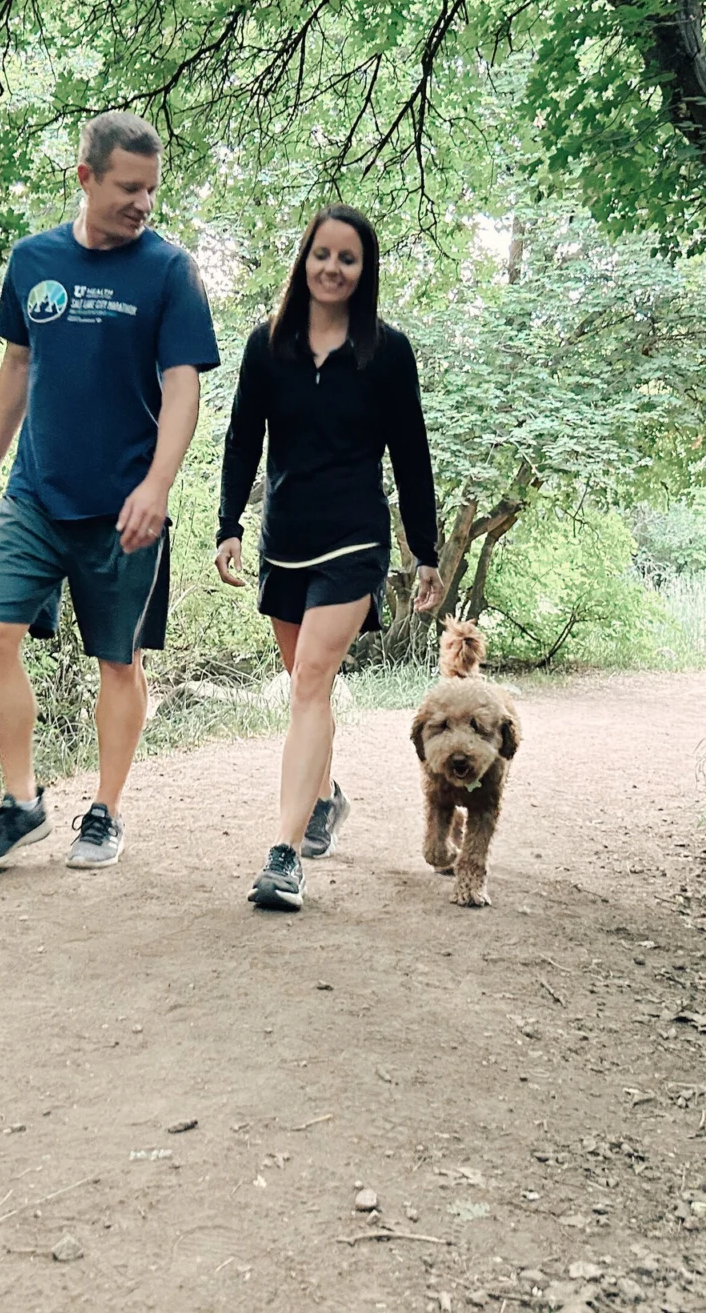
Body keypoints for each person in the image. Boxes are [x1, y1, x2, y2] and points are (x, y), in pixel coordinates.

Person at [0, 112, 220, 872]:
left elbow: (183, 386)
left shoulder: (169, 271)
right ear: (86, 178)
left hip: (125, 508)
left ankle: (105, 811)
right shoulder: (33, 259)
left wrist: (158, 485)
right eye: (129, 188)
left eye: (151, 190)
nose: (144, 203)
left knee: (119, 661)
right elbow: (17, 363)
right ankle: (22, 802)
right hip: (35, 494)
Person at [215, 204, 443, 912]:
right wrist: (229, 525)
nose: (333, 268)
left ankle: (283, 857)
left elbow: (411, 453)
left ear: (364, 270)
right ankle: (325, 798)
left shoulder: (386, 351)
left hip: (354, 541)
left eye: (349, 258)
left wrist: (425, 549)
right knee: (303, 686)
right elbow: (242, 438)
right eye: (323, 254)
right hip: (285, 542)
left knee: (311, 681)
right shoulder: (267, 345)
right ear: (304, 260)